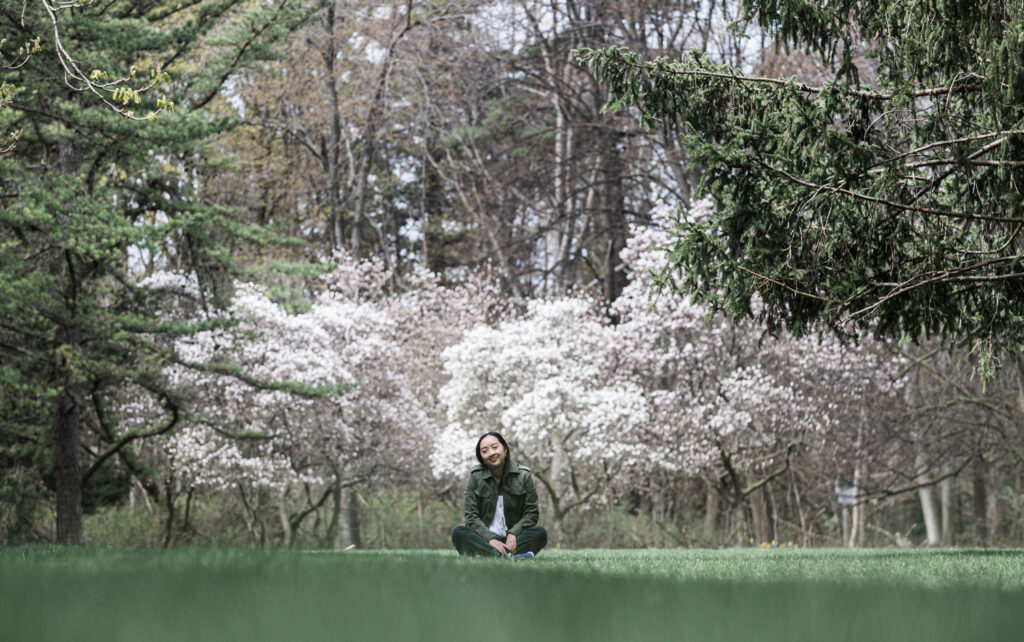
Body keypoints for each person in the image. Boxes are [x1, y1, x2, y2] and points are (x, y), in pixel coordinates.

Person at [451, 431, 547, 558]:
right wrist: (490, 539)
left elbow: (532, 514)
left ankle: (487, 556)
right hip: (485, 539)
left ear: (505, 450)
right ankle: (506, 556)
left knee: (540, 533)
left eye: (495, 447)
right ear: (481, 456)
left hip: (513, 540)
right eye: (484, 451)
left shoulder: (524, 475)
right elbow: (471, 516)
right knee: (458, 532)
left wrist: (513, 533)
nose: (491, 453)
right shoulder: (475, 476)